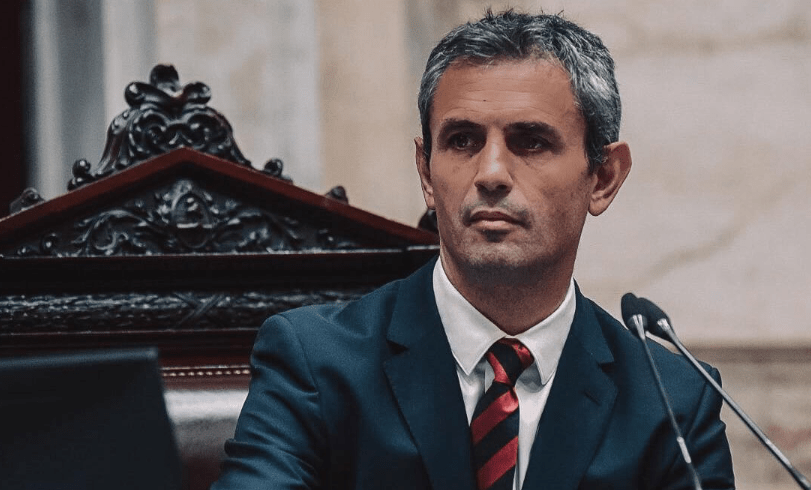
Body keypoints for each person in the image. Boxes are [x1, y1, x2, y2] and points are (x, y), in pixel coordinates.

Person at [212, 9, 734, 490]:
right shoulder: (316, 363)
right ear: (426, 172)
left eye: (530, 142)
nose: (490, 174)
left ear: (603, 177)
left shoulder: (672, 403)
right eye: (462, 140)